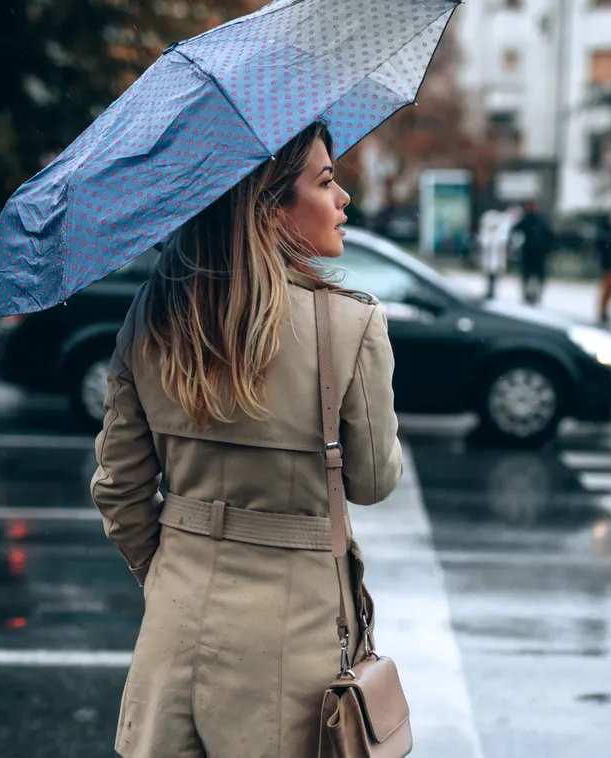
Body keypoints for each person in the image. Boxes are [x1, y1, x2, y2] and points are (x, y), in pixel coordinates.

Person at [90, 121, 403, 758]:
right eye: (324, 181)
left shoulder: (153, 316)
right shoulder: (350, 322)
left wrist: (173, 577)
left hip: (173, 634)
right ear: (267, 208)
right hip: (294, 649)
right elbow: (372, 481)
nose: (343, 198)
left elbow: (120, 492)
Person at [511, 200, 554, 306]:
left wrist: (547, 250)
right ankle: (528, 295)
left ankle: (535, 295)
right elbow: (515, 233)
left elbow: (549, 237)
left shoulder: (541, 221)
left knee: (537, 276)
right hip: (528, 254)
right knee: (528, 275)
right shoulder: (525, 221)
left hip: (538, 254)